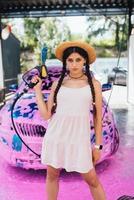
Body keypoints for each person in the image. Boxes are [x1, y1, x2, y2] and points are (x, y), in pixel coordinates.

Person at [32, 41, 106, 200]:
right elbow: (46, 115)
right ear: (65, 62)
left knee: (92, 180)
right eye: (70, 60)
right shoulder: (57, 83)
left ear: (85, 61)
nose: (74, 64)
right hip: (56, 138)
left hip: (79, 140)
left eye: (78, 60)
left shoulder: (94, 84)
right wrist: (37, 91)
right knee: (52, 176)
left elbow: (98, 117)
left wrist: (98, 145)